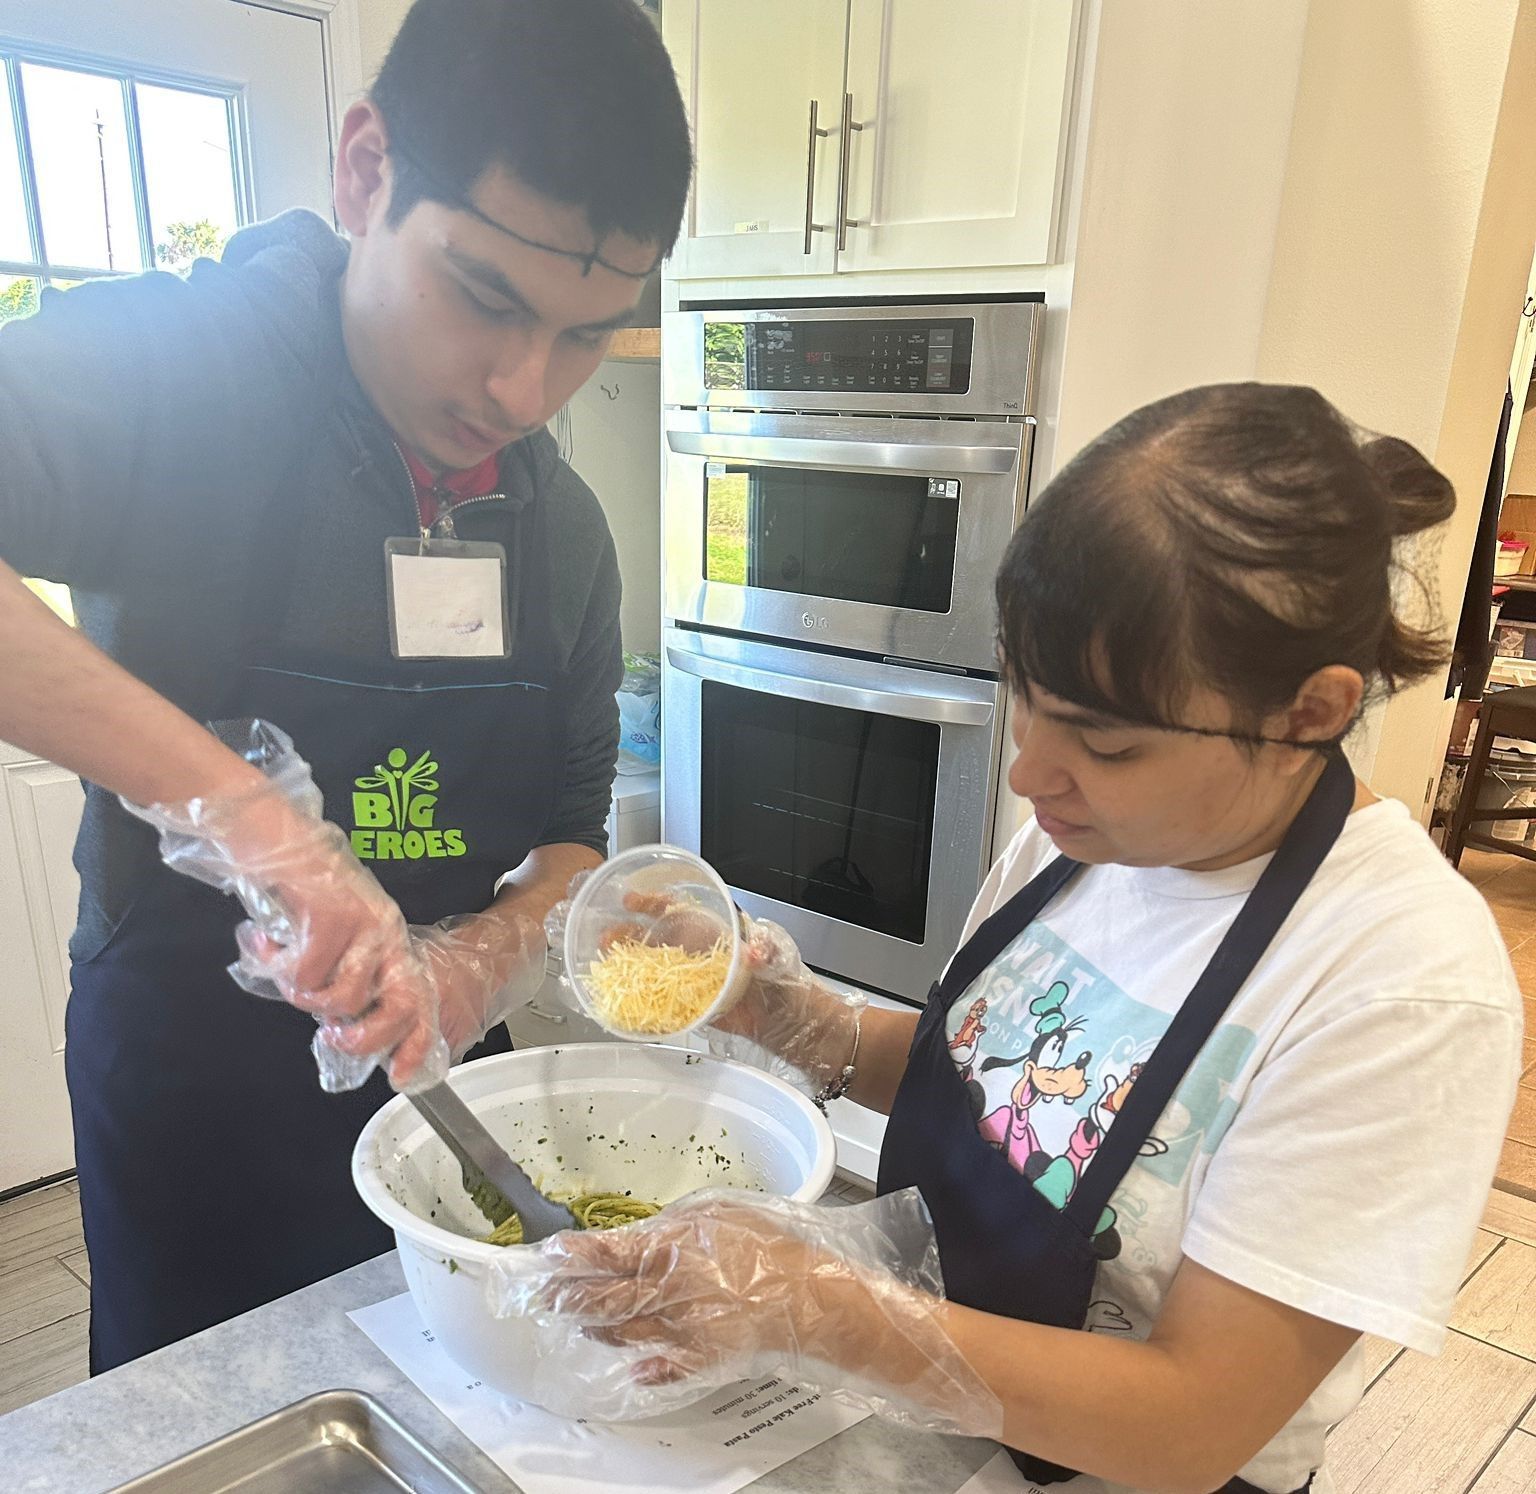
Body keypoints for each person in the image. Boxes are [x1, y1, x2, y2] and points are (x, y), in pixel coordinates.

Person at [511, 385, 1524, 1494]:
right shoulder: (1088, 836)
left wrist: (817, 1305)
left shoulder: (1399, 979)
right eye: (1022, 697)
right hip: (924, 1425)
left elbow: (1196, 1425)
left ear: (1310, 712)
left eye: (1105, 742)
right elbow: (1002, 1087)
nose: (1028, 772)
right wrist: (806, 1025)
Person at [0, 0, 689, 1373]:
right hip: (193, 1084)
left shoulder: (565, 531)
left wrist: (474, 958)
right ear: (366, 171)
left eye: (586, 336)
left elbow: (569, 836)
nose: (522, 384)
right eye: (484, 295)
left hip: (438, 1087)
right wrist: (260, 820)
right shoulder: (184, 370)